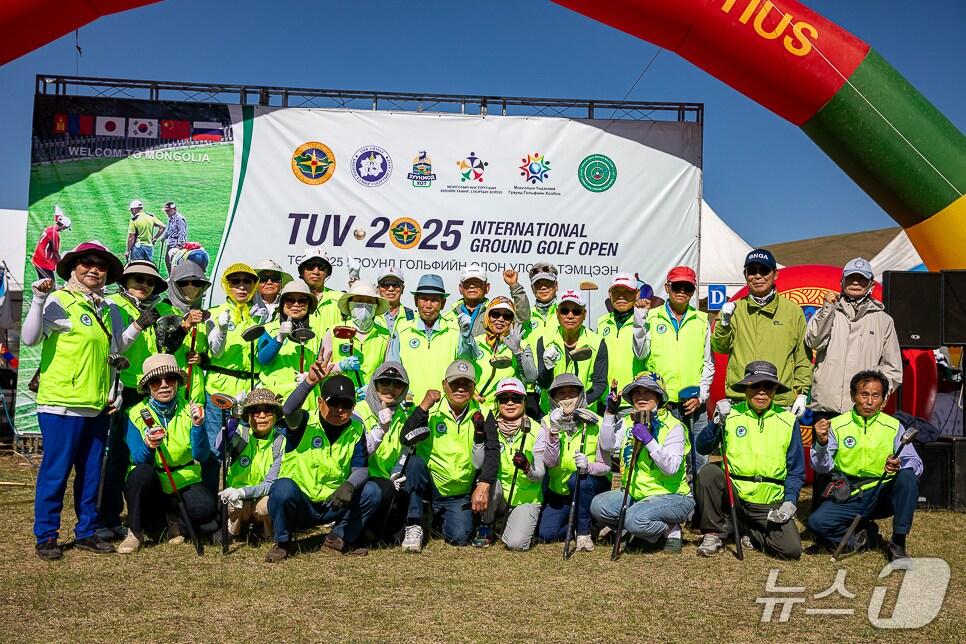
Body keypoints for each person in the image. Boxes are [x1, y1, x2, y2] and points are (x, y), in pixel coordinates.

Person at [21, 241, 143, 560]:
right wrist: (37, 299)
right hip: (61, 403)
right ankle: (46, 535)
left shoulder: (107, 307)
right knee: (56, 472)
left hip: (96, 405)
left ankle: (86, 531)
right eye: (86, 263)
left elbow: (117, 347)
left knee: (91, 475)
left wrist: (139, 325)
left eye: (100, 265)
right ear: (73, 268)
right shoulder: (59, 300)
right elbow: (30, 338)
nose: (93, 269)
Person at [266, 368, 381, 561]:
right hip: (301, 503)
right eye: (333, 402)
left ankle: (337, 539)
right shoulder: (303, 421)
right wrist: (309, 382)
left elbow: (361, 469)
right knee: (281, 488)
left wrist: (349, 486)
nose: (340, 409)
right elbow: (287, 410)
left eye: (347, 404)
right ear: (320, 403)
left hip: (333, 502)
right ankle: (283, 543)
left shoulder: (356, 428)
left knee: (372, 491)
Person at [807, 370, 922, 563]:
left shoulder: (894, 426)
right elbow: (821, 466)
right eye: (864, 394)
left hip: (884, 491)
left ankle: (898, 543)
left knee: (908, 476)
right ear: (853, 396)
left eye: (875, 396)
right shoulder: (836, 425)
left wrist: (899, 464)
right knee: (816, 523)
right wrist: (821, 443)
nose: (869, 402)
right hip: (852, 492)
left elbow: (916, 463)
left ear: (883, 400)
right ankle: (863, 537)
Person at [695, 361, 804, 559]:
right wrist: (716, 422)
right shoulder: (731, 413)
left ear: (775, 390)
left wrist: (790, 501)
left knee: (791, 550)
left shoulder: (788, 421)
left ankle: (750, 530)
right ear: (746, 388)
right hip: (734, 495)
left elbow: (796, 470)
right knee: (708, 473)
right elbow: (702, 447)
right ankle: (713, 533)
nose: (761, 392)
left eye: (768, 386)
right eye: (755, 386)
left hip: (769, 501)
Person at [117, 354, 216, 553]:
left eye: (169, 379)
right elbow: (138, 457)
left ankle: (175, 520)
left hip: (183, 480)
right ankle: (135, 532)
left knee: (206, 507)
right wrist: (148, 445)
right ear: (147, 387)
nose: (163, 385)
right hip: (152, 482)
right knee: (141, 473)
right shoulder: (135, 413)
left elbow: (202, 455)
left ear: (178, 382)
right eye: (155, 381)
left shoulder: (190, 410)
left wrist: (198, 427)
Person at [99, 260, 167, 539]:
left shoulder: (149, 309)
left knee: (142, 455)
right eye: (137, 279)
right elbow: (114, 346)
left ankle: (143, 519)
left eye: (149, 281)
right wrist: (139, 324)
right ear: (124, 282)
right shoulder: (114, 304)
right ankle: (106, 519)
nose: (144, 284)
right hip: (123, 390)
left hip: (144, 391)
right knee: (115, 456)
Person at [400, 359, 498, 551]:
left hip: (458, 491)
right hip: (430, 483)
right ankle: (414, 522)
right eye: (455, 384)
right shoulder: (431, 409)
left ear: (474, 387)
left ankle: (436, 519)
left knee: (460, 537)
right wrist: (423, 407)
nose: (460, 389)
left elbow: (492, 449)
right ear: (444, 385)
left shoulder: (483, 412)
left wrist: (484, 483)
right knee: (414, 463)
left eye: (466, 384)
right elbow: (405, 437)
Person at [591, 372, 693, 554]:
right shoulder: (629, 421)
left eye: (648, 392)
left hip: (671, 495)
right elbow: (607, 444)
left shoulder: (674, 426)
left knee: (633, 520)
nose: (641, 396)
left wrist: (648, 440)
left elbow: (671, 468)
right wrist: (609, 413)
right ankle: (639, 526)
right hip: (636, 493)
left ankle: (670, 529)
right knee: (598, 506)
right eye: (637, 392)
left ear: (659, 396)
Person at [712, 249, 811, 417]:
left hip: (779, 401)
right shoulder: (734, 309)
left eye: (764, 270)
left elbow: (802, 357)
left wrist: (802, 393)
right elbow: (720, 348)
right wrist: (724, 323)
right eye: (752, 271)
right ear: (745, 274)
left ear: (775, 274)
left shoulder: (792, 311)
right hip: (741, 400)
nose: (758, 276)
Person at [637, 266, 714, 470]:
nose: (681, 291)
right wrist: (639, 322)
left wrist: (701, 396)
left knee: (699, 463)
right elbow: (640, 354)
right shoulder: (650, 317)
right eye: (677, 286)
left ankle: (698, 502)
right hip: (663, 405)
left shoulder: (701, 320)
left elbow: (708, 363)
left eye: (687, 288)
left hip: (694, 405)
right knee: (665, 463)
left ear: (693, 290)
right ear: (667, 287)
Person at [807, 258, 902, 417]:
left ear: (871, 284)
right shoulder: (827, 312)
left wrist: (879, 396)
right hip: (826, 407)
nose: (856, 282)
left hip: (864, 409)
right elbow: (813, 341)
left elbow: (892, 368)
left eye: (862, 279)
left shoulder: (884, 321)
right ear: (842, 282)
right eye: (851, 277)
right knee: (825, 443)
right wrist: (828, 309)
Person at [537, 373, 613, 551]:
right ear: (553, 398)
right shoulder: (547, 422)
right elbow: (549, 462)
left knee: (577, 478)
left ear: (581, 396)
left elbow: (606, 467)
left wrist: (588, 466)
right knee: (546, 535)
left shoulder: (596, 422)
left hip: (590, 486)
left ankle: (584, 531)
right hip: (560, 492)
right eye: (561, 394)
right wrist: (554, 433)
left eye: (572, 393)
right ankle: (588, 524)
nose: (567, 398)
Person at [476, 378, 546, 550]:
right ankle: (486, 523)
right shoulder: (489, 426)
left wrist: (527, 468)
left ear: (524, 401)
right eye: (503, 399)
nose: (509, 403)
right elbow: (478, 464)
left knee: (516, 544)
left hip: (525, 498)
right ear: (497, 403)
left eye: (515, 398)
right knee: (488, 482)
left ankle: (508, 522)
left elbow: (539, 476)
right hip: (497, 493)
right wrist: (478, 436)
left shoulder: (537, 430)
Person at [386, 274, 475, 401]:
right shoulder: (401, 329)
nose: (428, 305)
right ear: (416, 301)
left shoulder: (455, 329)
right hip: (410, 405)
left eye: (434, 300)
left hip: (445, 407)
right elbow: (392, 367)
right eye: (424, 299)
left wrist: (467, 336)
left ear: (443, 303)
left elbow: (467, 360)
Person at [218, 387, 287, 544]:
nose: (261, 416)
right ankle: (233, 531)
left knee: (267, 506)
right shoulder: (240, 434)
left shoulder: (281, 442)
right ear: (247, 416)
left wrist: (243, 492)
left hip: (260, 497)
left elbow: (270, 484)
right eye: (255, 411)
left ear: (276, 416)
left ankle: (266, 532)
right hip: (236, 499)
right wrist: (234, 417)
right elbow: (220, 446)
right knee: (233, 505)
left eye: (268, 411)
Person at [205, 263, 261, 453]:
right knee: (217, 449)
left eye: (248, 281)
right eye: (236, 282)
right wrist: (221, 330)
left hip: (249, 392)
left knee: (245, 449)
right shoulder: (214, 314)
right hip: (219, 390)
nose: (242, 286)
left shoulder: (258, 317)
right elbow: (216, 352)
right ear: (227, 285)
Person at [357, 362, 415, 542]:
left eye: (397, 385)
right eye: (385, 383)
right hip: (361, 480)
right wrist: (381, 429)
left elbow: (404, 451)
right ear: (374, 384)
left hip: (389, 481)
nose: (390, 389)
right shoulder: (359, 412)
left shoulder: (402, 415)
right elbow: (357, 456)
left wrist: (396, 473)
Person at [535, 289, 609, 409]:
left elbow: (600, 383)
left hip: (584, 411)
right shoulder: (544, 341)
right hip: (551, 411)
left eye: (576, 311)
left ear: (584, 314)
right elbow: (544, 383)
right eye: (564, 311)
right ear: (557, 314)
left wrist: (580, 403)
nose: (570, 316)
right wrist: (548, 368)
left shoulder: (597, 342)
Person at [154, 260, 211, 405]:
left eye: (196, 283)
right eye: (184, 283)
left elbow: (210, 357)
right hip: (169, 395)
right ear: (174, 285)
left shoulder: (203, 316)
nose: (190, 287)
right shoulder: (160, 310)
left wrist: (201, 359)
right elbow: (163, 349)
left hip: (196, 397)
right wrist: (186, 326)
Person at [319, 281, 390, 395]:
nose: (364, 305)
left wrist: (374, 390)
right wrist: (341, 366)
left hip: (370, 402)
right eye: (359, 300)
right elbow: (321, 370)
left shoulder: (385, 335)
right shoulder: (334, 331)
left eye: (369, 301)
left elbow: (387, 372)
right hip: (338, 400)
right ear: (350, 304)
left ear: (376, 306)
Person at [256, 280, 320, 406]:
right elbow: (263, 360)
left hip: (308, 400)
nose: (296, 305)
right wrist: (279, 338)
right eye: (290, 300)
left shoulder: (316, 335)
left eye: (302, 301)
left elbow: (322, 364)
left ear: (308, 305)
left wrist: (312, 376)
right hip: (275, 400)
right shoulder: (268, 329)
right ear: (282, 303)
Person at [468, 296, 537, 403]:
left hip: (507, 408)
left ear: (512, 320)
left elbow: (531, 378)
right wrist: (470, 393)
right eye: (495, 314)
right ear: (487, 316)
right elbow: (462, 374)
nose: (500, 319)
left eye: (507, 316)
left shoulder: (522, 345)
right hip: (477, 409)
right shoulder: (475, 342)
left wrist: (517, 351)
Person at [596, 273, 648, 392]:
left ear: (637, 294)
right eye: (616, 292)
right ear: (610, 295)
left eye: (627, 292)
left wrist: (640, 320)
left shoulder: (645, 322)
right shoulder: (602, 322)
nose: (621, 297)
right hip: (604, 399)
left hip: (634, 399)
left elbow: (643, 355)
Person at [449, 264, 531, 337]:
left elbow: (522, 319)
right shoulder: (447, 317)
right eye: (467, 283)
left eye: (477, 283)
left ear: (487, 287)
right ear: (460, 288)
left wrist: (514, 286)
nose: (472, 286)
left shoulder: (495, 313)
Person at [297, 247, 344, 338]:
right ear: (302, 272)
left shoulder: (340, 298)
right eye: (310, 267)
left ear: (327, 273)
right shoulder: (290, 298)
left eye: (321, 268)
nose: (316, 272)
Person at [30, 205, 71, 281]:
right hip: (43, 263)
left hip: (38, 260)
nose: (64, 229)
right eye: (65, 228)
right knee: (50, 285)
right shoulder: (54, 234)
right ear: (62, 225)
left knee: (45, 285)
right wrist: (62, 265)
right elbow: (55, 252)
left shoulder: (49, 229)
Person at [250, 259, 292, 324]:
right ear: (256, 283)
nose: (269, 282)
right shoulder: (247, 302)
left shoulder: (290, 303)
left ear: (281, 283)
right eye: (263, 279)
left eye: (274, 279)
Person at [376, 266, 414, 332]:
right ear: (378, 289)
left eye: (395, 284)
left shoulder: (413, 316)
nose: (391, 289)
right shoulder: (370, 315)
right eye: (385, 284)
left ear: (402, 289)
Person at [160, 201, 188, 273]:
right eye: (166, 211)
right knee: (167, 260)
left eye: (168, 211)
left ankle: (174, 276)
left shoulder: (179, 219)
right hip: (170, 243)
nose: (167, 212)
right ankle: (171, 276)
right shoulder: (170, 218)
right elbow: (168, 230)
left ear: (174, 209)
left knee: (174, 262)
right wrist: (163, 237)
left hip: (176, 244)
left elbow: (182, 232)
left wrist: (180, 244)